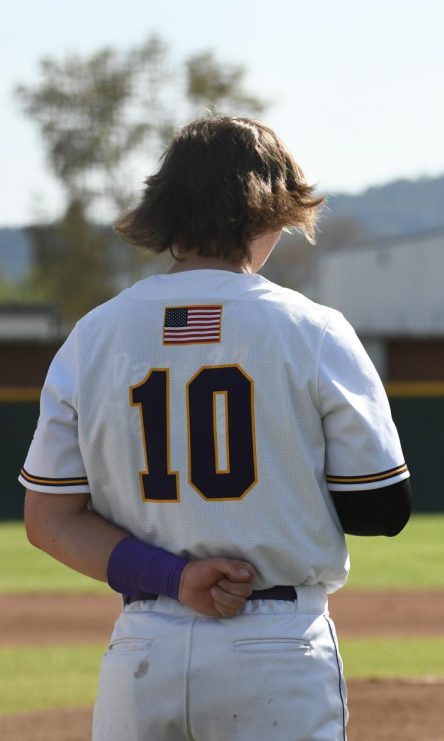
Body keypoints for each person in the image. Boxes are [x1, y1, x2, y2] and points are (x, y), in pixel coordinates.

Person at [20, 115, 412, 741]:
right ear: (271, 209)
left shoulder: (95, 334)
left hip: (145, 643)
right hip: (276, 642)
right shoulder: (313, 329)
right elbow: (380, 507)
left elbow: (49, 519)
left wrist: (173, 577)